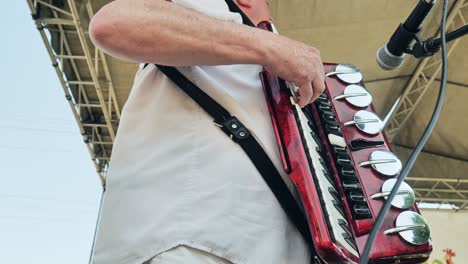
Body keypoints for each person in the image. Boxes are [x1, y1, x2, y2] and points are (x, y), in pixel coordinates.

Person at [88, 0, 325, 263]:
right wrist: (269, 45)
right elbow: (114, 23)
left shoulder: (272, 61)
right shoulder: (206, 7)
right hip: (192, 241)